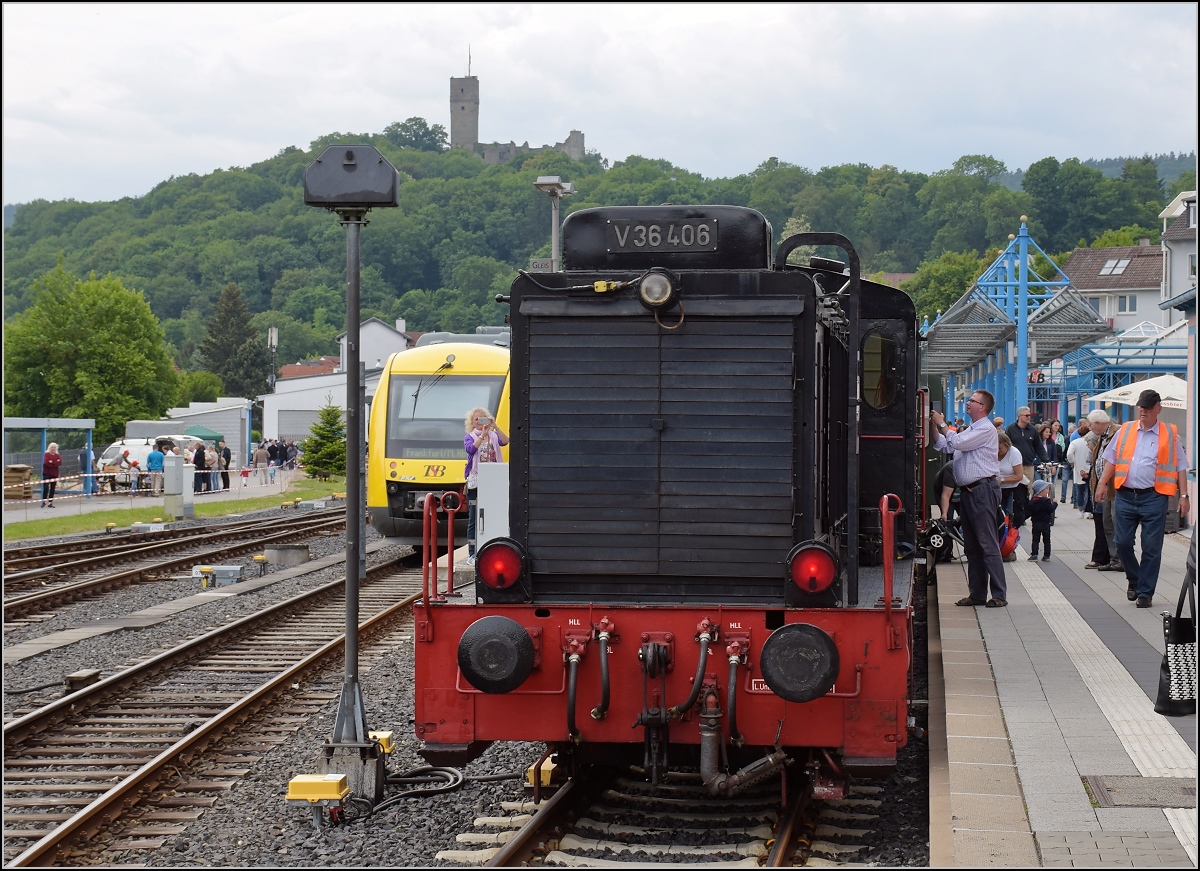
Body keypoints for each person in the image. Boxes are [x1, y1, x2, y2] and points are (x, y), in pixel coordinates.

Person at [1095, 389, 1190, 608]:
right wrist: (1101, 485)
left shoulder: (1169, 433)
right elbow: (1111, 458)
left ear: (1159, 409)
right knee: (1122, 542)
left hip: (1154, 497)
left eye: (1148, 407)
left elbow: (1180, 467)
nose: (1143, 410)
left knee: (1151, 547)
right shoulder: (1126, 431)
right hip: (1126, 496)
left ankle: (1145, 593)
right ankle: (1135, 580)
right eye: (1141, 406)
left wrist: (1184, 496)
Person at [930, 389, 1007, 608]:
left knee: (987, 543)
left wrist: (943, 423)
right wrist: (933, 426)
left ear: (982, 407)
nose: (968, 403)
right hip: (970, 492)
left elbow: (957, 443)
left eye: (972, 401)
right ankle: (977, 594)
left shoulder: (985, 429)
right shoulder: (973, 429)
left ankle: (999, 594)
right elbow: (944, 445)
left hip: (982, 491)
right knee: (972, 545)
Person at [463, 406, 509, 561]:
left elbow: (505, 441)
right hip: (476, 480)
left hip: (494, 479)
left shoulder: (494, 436)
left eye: (482, 419)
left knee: (496, 513)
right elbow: (470, 449)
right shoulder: (470, 436)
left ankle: (496, 548)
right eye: (476, 419)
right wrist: (482, 435)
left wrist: (495, 426)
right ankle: (472, 552)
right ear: (472, 422)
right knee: (474, 516)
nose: (479, 422)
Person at [1087, 410, 1122, 573]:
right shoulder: (1101, 438)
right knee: (1107, 523)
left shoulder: (1118, 433)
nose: (1089, 428)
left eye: (1091, 424)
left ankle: (1122, 558)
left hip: (1116, 486)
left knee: (1117, 523)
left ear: (1099, 423)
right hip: (1105, 487)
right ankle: (1114, 559)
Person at [1082, 431, 1110, 569]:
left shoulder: (1103, 452)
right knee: (1101, 525)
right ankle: (1103, 557)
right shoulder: (1096, 454)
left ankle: (1100, 558)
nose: (1088, 447)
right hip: (1097, 493)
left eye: (1088, 444)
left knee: (1102, 526)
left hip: (1103, 495)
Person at [1006, 407, 1047, 496]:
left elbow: (1039, 447)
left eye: (1030, 415)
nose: (1029, 417)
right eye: (1027, 415)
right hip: (1014, 466)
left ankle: (1027, 508)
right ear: (1019, 416)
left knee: (1028, 489)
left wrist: (1046, 460)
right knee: (1013, 489)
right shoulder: (1010, 429)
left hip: (1028, 465)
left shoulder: (1033, 430)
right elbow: (1006, 447)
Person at [1065, 427, 1093, 518]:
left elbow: (1069, 454)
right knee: (1089, 490)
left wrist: (1072, 462)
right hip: (1090, 468)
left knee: (1080, 491)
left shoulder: (1075, 442)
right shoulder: (1091, 441)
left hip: (1078, 468)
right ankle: (1089, 511)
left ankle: (1080, 510)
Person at [997, 432, 1025, 520]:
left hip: (1011, 489)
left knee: (1008, 515)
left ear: (1007, 445)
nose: (998, 451)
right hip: (995, 489)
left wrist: (1002, 480)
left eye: (1000, 448)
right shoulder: (992, 452)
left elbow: (1019, 476)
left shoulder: (1014, 453)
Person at [1027, 479, 1057, 561]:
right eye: (1047, 489)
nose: (1048, 491)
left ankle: (1034, 555)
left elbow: (1029, 510)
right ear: (1041, 491)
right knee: (1046, 540)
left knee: (1035, 540)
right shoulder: (1046, 501)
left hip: (1036, 523)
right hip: (1045, 524)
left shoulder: (1032, 501)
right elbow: (1050, 509)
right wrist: (1055, 504)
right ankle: (1046, 556)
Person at [1050, 420, 1068, 502]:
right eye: (1055, 425)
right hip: (1047, 460)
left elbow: (1063, 447)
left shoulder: (1061, 436)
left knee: (1054, 481)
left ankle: (1052, 497)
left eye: (1058, 426)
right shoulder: (1047, 435)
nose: (1057, 427)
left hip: (1056, 460)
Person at [41, 442, 62, 507]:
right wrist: (55, 463)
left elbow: (60, 462)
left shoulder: (57, 455)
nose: (53, 449)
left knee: (52, 488)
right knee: (46, 487)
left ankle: (50, 502)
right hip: (47, 473)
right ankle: (44, 501)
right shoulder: (46, 454)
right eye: (52, 447)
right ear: (49, 448)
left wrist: (52, 462)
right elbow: (47, 463)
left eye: (54, 447)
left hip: (54, 474)